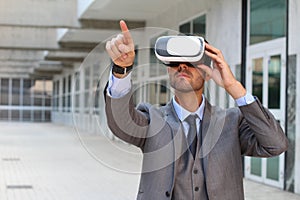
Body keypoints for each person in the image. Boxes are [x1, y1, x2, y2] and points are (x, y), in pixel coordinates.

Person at [104, 20, 288, 200]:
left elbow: (275, 144)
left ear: (208, 73)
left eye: (191, 62)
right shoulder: (153, 119)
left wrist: (233, 86)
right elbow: (122, 123)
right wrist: (122, 69)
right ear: (168, 70)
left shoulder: (231, 122)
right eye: (175, 62)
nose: (182, 66)